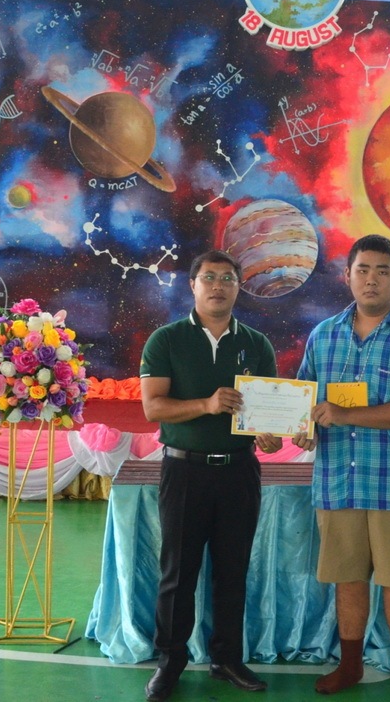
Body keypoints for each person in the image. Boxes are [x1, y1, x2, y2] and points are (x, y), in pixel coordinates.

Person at [293, 234, 390, 702]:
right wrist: (300, 428)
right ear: (347, 276)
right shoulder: (324, 335)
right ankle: (351, 665)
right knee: (348, 579)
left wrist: (344, 415)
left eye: (382, 271)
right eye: (362, 270)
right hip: (338, 480)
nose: (371, 279)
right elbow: (303, 401)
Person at [139, 250, 283, 702]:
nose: (218, 286)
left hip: (239, 472)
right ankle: (170, 661)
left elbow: (267, 414)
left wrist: (269, 435)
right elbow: (153, 407)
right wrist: (207, 404)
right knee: (178, 573)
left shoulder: (257, 344)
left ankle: (227, 659)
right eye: (209, 278)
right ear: (193, 285)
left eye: (227, 278)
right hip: (185, 470)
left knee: (232, 570)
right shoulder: (166, 340)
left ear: (239, 287)